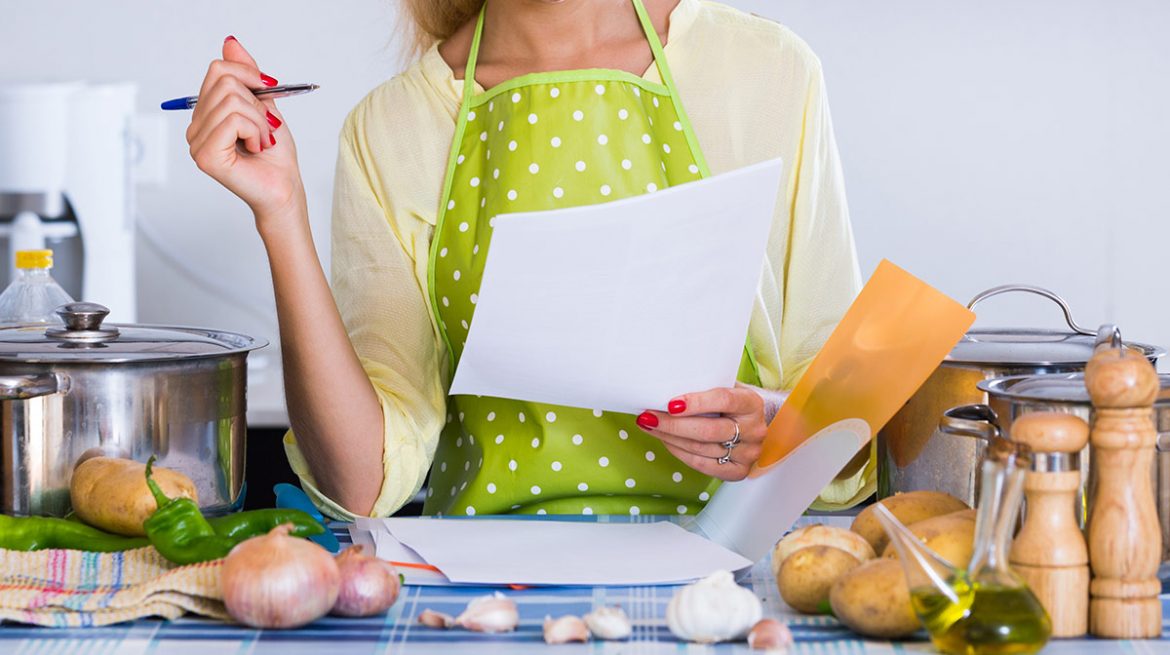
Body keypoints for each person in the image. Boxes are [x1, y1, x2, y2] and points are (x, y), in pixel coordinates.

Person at [185, 0, 865, 520]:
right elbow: (362, 482)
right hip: (485, 596)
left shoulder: (770, 70)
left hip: (733, 584)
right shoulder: (390, 128)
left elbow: (852, 416)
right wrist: (281, 214)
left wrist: (776, 422)